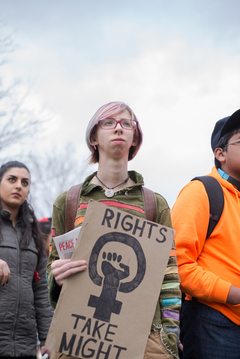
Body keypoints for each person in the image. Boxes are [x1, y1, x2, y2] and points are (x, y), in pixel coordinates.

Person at [47, 101, 181, 359]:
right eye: (108, 122)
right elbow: (53, 265)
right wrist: (57, 278)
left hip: (144, 339)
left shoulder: (155, 204)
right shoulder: (69, 202)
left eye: (126, 123)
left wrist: (169, 337)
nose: (118, 128)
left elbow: (170, 276)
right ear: (94, 137)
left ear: (134, 138)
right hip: (78, 334)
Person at [171, 109, 240, 359]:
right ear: (219, 154)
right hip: (214, 323)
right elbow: (177, 266)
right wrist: (234, 295)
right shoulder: (201, 191)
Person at [0, 161, 52, 359]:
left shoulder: (34, 234)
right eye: (12, 179)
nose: (19, 186)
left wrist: (48, 338)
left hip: (25, 343)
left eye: (25, 182)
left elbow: (41, 291)